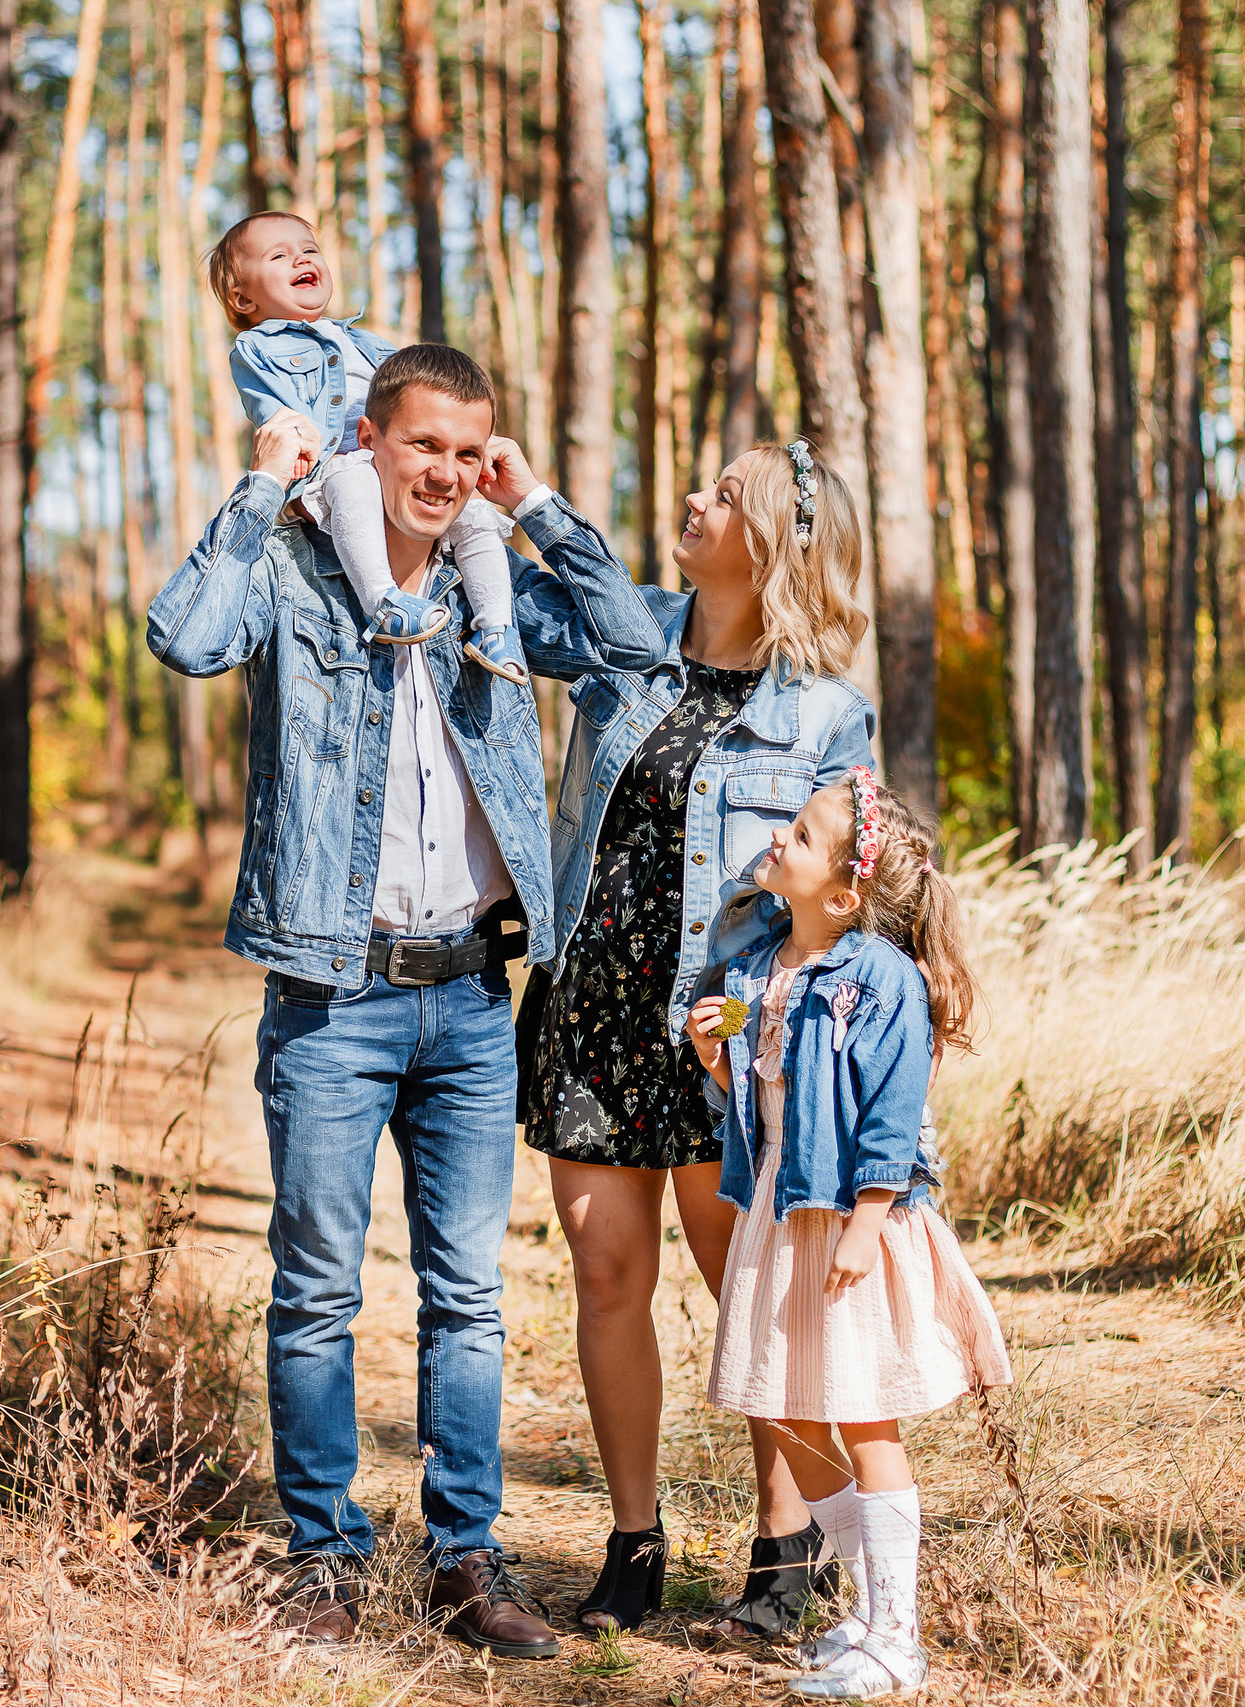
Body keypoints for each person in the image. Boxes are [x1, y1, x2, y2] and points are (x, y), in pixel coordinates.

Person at [145, 342, 666, 1657]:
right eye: (421, 444)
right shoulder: (294, 570)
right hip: (333, 996)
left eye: (465, 449)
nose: (442, 471)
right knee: (318, 1284)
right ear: (371, 438)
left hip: (472, 1002)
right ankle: (324, 1556)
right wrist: (264, 487)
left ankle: (465, 1555)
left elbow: (635, 643)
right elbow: (186, 636)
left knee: (468, 1296)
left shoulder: (501, 580)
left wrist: (536, 506)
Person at [518, 440, 875, 1635]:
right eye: (702, 483)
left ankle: (786, 1558)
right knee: (607, 1272)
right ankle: (634, 1543)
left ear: (770, 540)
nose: (693, 499)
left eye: (725, 495)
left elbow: (842, 898)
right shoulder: (623, 637)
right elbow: (489, 599)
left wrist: (793, 1039)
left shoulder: (826, 711)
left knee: (748, 1292)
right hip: (593, 1008)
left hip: (722, 1032)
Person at [686, 770, 1014, 1700]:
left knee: (863, 1409)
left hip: (847, 1218)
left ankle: (899, 1638)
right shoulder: (757, 969)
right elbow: (757, 1100)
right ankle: (868, 1607)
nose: (778, 838)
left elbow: (893, 1110)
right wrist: (719, 1059)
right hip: (778, 1210)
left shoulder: (879, 979)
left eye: (800, 833)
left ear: (843, 894)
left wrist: (869, 1218)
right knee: (789, 1407)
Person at [207, 209, 527, 682]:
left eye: (309, 251)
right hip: (335, 467)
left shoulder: (364, 340)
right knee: (353, 477)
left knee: (476, 513)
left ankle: (496, 629)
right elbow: (271, 411)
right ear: (242, 296)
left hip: (391, 462)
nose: (301, 259)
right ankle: (384, 603)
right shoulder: (258, 349)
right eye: (280, 256)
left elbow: (411, 390)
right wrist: (288, 450)